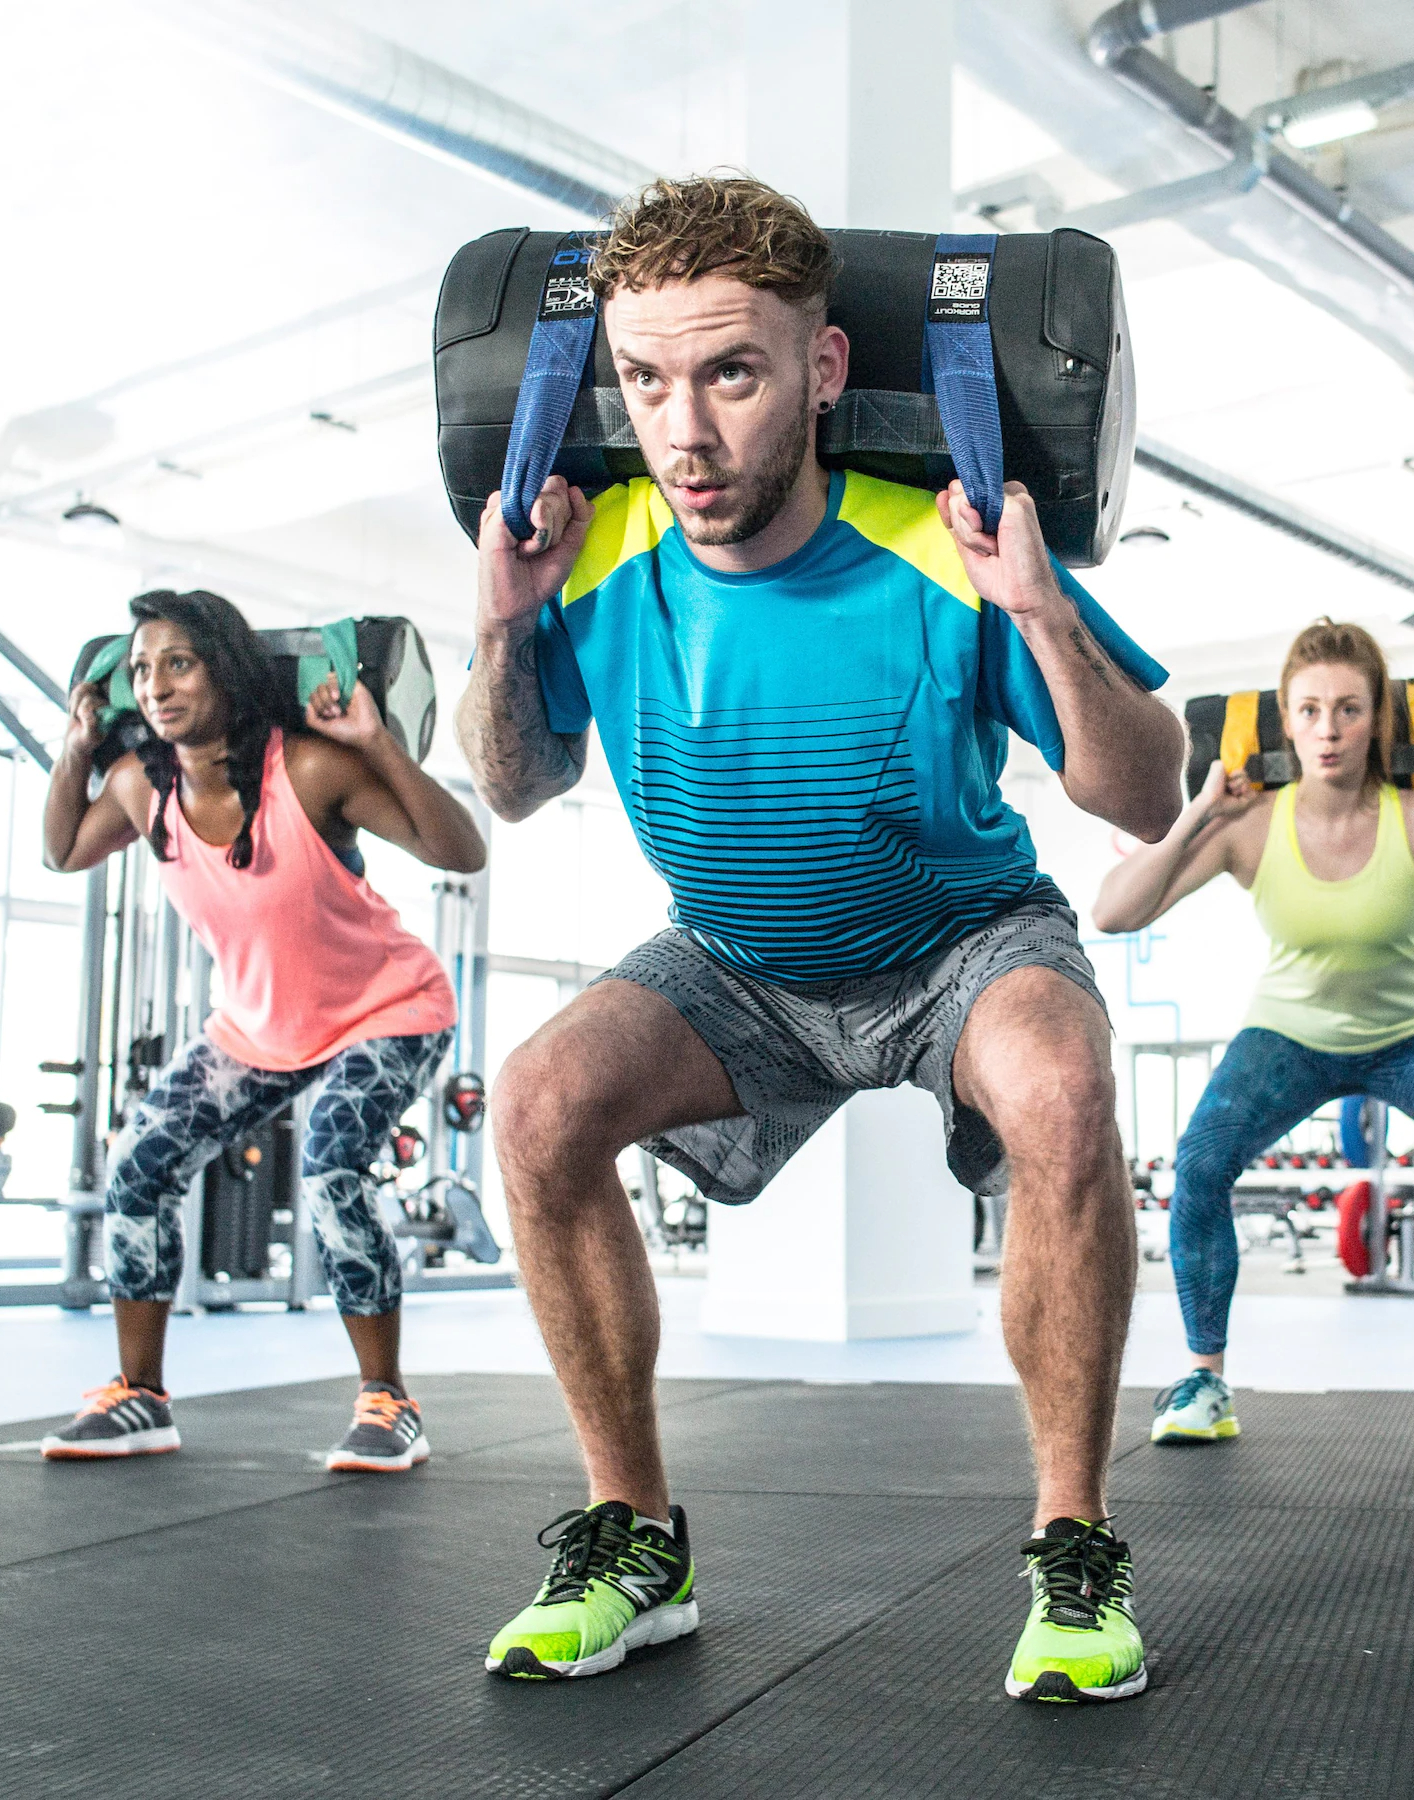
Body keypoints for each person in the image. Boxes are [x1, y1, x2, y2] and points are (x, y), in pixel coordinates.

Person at [456, 175, 1182, 1698]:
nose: (684, 429)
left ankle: (1073, 1550)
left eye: (731, 373)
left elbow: (1146, 793)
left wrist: (1041, 615)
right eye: (645, 380)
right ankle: (636, 1539)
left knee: (1060, 1084)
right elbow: (517, 790)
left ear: (824, 371)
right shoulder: (593, 548)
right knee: (535, 1103)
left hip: (958, 943)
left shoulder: (942, 541)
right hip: (731, 960)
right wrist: (502, 626)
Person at [1094, 620, 1414, 1454]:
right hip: (1288, 1034)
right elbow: (1113, 913)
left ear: (1376, 720)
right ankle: (1206, 1379)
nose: (1328, 729)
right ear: (1285, 720)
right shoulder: (1248, 824)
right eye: (1311, 709)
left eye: (1349, 710)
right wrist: (1199, 814)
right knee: (1200, 1164)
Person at [38, 589, 489, 1472]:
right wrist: (73, 751)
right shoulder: (140, 788)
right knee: (139, 1168)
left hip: (388, 1010)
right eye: (140, 670)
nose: (156, 685)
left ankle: (388, 1402)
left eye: (178, 663)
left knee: (330, 1166)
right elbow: (62, 852)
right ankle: (140, 1397)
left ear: (226, 670)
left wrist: (376, 744)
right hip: (256, 1028)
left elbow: (461, 851)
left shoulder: (309, 770)